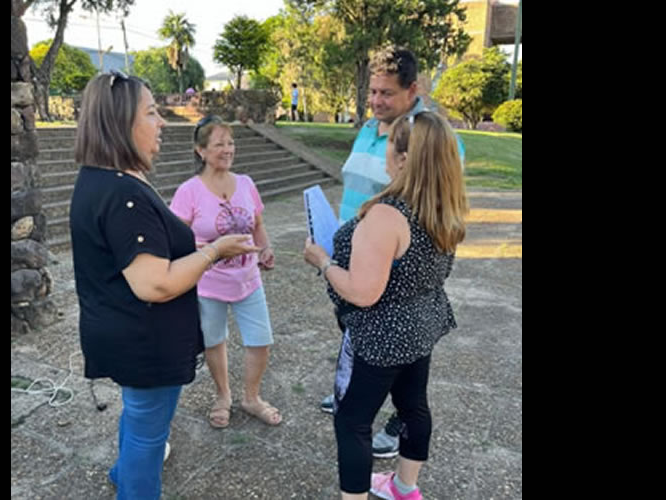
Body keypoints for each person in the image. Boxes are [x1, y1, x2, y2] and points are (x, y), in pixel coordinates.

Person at [69, 72, 260, 500]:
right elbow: (155, 285)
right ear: (120, 122)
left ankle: (124, 472)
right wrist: (213, 253)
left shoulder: (100, 177)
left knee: (139, 418)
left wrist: (203, 247)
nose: (163, 123)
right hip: (143, 340)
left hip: (123, 332)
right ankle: (134, 485)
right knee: (147, 433)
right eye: (152, 113)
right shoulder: (124, 194)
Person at [304, 111, 469, 500]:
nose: (385, 150)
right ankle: (405, 487)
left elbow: (362, 293)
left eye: (390, 143)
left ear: (403, 158)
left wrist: (324, 262)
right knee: (414, 406)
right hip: (422, 325)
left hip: (381, 336)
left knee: (353, 421)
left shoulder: (387, 215)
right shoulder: (442, 208)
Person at [319, 45, 465, 461]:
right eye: (373, 92)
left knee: (374, 389)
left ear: (411, 90)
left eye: (386, 93)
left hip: (389, 269)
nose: (376, 101)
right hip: (360, 256)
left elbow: (437, 201)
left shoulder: (430, 138)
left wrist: (335, 260)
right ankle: (358, 397)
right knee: (366, 350)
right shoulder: (369, 129)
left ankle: (380, 413)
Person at [169, 115, 281, 428]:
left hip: (248, 280)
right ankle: (223, 395)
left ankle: (251, 397)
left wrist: (266, 248)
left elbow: (258, 225)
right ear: (200, 151)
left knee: (261, 340)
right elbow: (176, 241)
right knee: (214, 340)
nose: (227, 149)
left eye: (230, 142)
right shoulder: (188, 191)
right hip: (208, 284)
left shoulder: (245, 183)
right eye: (219, 144)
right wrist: (208, 252)